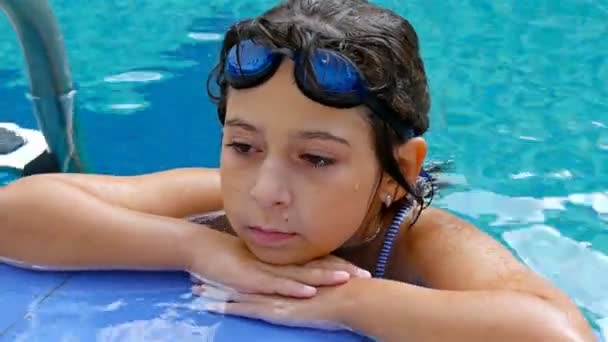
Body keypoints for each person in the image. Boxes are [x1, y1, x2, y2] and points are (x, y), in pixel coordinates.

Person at [0, 0, 595, 340]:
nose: (266, 191)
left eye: (316, 159)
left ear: (399, 170)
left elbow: (552, 333)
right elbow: (16, 214)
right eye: (243, 146)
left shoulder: (417, 241)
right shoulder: (213, 206)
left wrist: (348, 306)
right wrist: (196, 249)